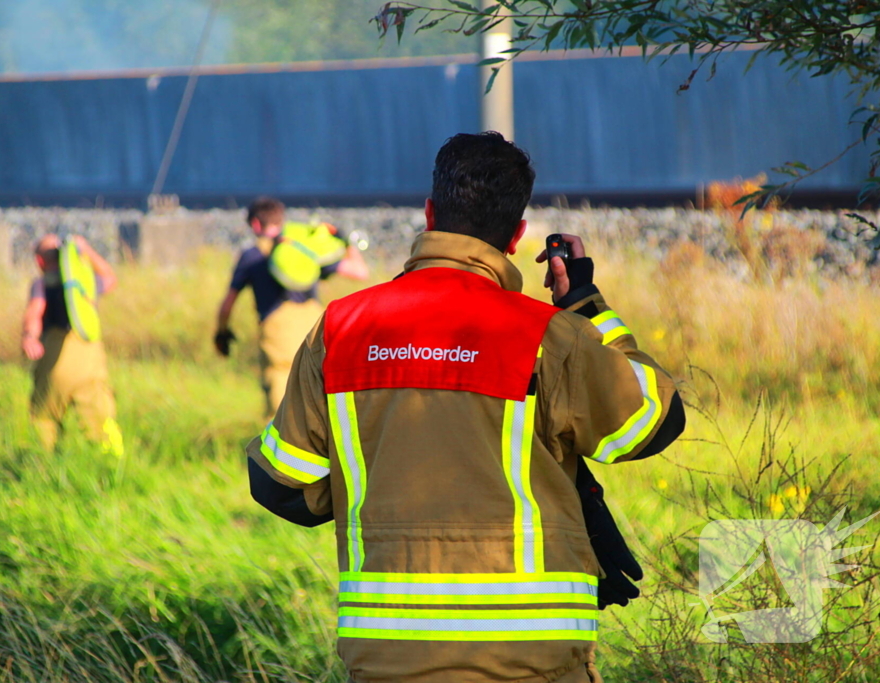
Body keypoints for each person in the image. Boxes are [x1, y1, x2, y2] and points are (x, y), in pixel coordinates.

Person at [246, 133, 686, 682]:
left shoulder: (341, 328)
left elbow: (278, 484)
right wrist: (588, 308)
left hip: (386, 660)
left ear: (430, 214)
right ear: (518, 235)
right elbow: (654, 420)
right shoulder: (548, 336)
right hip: (530, 661)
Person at [214, 196, 368, 415]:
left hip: (279, 336)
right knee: (319, 399)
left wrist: (221, 333)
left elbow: (227, 305)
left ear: (255, 224)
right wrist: (345, 241)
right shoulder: (304, 250)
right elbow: (360, 272)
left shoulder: (252, 256)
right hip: (315, 329)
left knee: (281, 416)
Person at [22, 233, 124, 456]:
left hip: (54, 363)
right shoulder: (85, 282)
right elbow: (110, 277)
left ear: (39, 261)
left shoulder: (41, 284)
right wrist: (86, 249)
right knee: (100, 420)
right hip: (89, 362)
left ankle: (42, 467)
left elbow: (34, 312)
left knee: (44, 418)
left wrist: (30, 337)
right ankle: (113, 467)